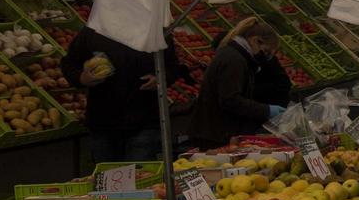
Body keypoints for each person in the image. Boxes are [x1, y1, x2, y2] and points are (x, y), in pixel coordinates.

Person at [63, 24, 182, 163]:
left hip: (144, 121)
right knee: (108, 177)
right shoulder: (94, 30)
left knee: (139, 178)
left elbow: (173, 66)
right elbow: (69, 63)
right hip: (103, 122)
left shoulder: (154, 30)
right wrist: (81, 78)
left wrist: (161, 78)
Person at [185, 18, 282, 148]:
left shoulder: (235, 55)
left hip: (216, 131)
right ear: (255, 41)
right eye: (265, 52)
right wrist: (266, 110)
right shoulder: (234, 60)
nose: (265, 57)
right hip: (216, 134)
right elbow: (230, 100)